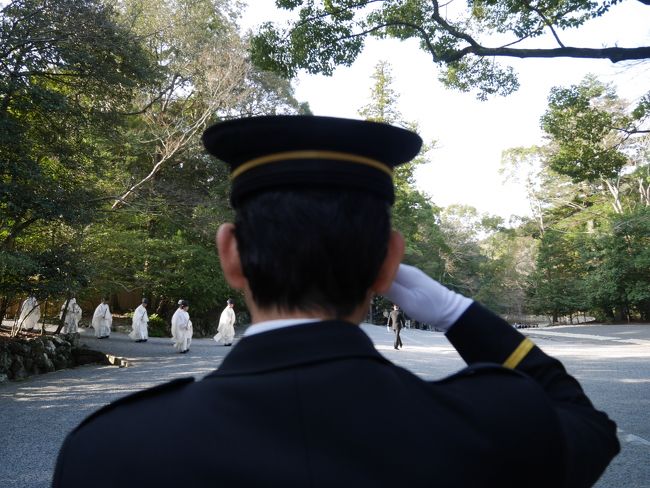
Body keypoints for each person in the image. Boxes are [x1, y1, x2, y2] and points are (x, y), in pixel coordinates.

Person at [53, 115, 619, 487]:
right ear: (390, 262)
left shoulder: (108, 452)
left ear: (231, 255)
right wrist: (456, 312)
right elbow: (587, 426)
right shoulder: (495, 425)